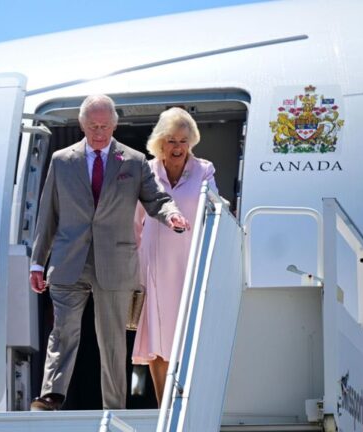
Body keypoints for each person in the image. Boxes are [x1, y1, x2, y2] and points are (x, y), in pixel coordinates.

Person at [29, 95, 190, 411]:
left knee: (113, 340)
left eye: (104, 126)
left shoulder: (133, 161)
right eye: (93, 126)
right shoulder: (62, 160)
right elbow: (48, 213)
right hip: (69, 260)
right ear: (82, 124)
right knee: (63, 331)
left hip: (115, 261)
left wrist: (171, 214)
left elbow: (156, 198)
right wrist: (37, 261)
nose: (99, 132)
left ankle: (114, 408)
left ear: (114, 125)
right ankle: (51, 394)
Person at [131, 107, 219, 407]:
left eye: (183, 141)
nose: (178, 147)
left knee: (188, 336)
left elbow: (215, 209)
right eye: (171, 140)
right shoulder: (147, 171)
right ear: (160, 142)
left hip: (189, 264)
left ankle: (190, 404)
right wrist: (132, 266)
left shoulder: (204, 170)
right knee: (157, 340)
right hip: (154, 265)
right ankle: (164, 407)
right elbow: (135, 222)